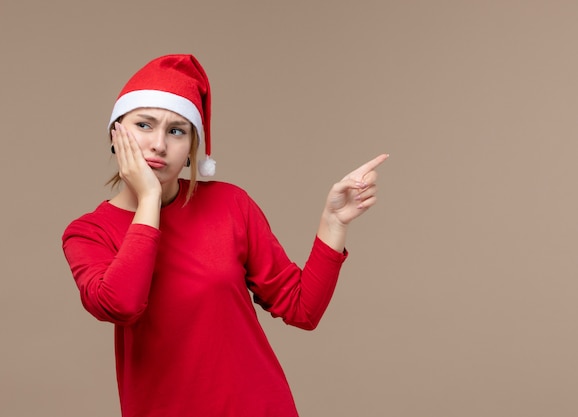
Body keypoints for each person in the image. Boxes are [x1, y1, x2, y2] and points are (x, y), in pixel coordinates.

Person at [61, 54, 388, 417]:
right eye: (144, 124)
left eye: (176, 131)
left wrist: (334, 223)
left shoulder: (230, 204)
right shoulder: (88, 233)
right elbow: (121, 305)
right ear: (115, 133)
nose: (158, 144)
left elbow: (302, 310)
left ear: (191, 149)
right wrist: (150, 198)